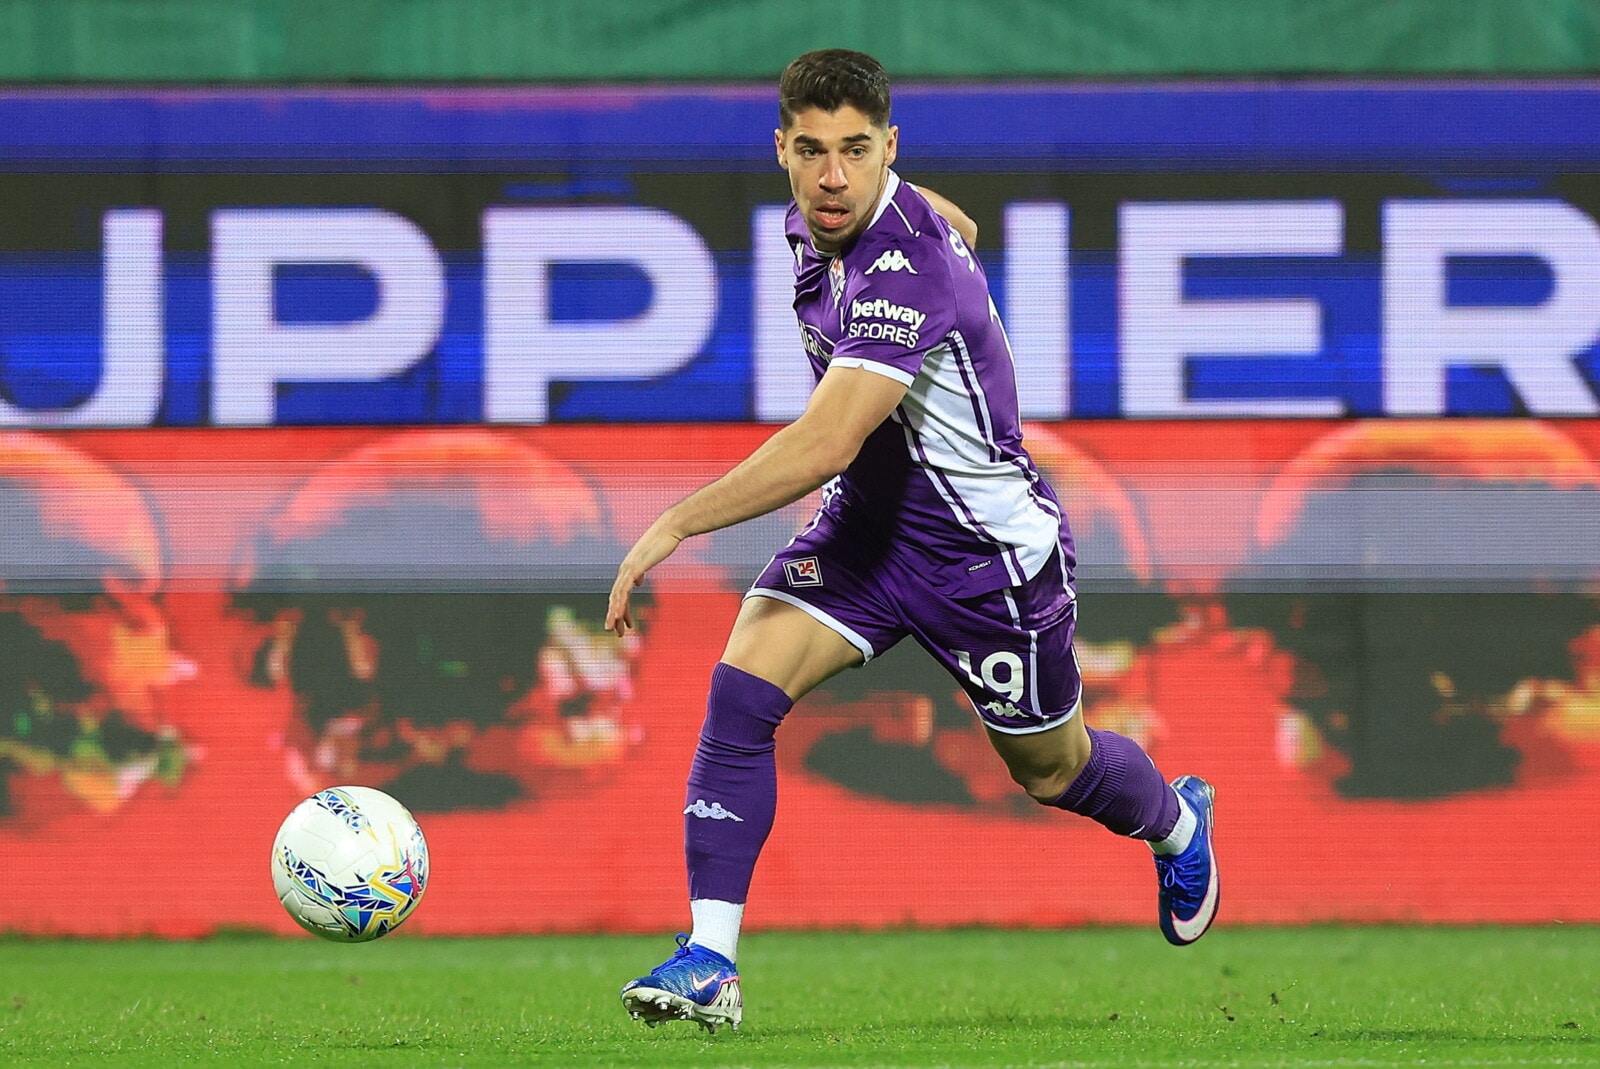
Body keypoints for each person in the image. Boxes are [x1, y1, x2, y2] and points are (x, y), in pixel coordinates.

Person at [606, 48, 1218, 1033]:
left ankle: (1177, 821)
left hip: (985, 559)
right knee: (740, 692)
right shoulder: (825, 219)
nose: (832, 176)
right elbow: (958, 222)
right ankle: (711, 960)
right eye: (812, 151)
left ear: (889, 145)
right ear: (780, 149)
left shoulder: (905, 270)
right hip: (869, 530)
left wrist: (674, 522)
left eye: (856, 151)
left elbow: (825, 441)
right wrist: (933, 222)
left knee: (1051, 770)